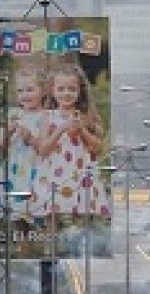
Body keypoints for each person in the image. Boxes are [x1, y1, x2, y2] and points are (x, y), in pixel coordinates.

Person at [30, 61, 110, 221]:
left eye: (72, 89)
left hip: (82, 175)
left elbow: (98, 148)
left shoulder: (87, 116)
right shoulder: (48, 117)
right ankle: (51, 245)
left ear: (80, 91)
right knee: (53, 217)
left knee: (82, 219)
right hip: (55, 176)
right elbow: (43, 150)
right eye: (61, 89)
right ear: (52, 91)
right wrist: (61, 129)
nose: (66, 93)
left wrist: (82, 130)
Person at [0, 66, 47, 221]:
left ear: (43, 91)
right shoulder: (14, 114)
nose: (25, 95)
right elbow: (0, 146)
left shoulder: (46, 116)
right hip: (13, 169)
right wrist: (9, 131)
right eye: (20, 91)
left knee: (35, 212)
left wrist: (30, 138)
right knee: (14, 213)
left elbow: (46, 148)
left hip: (35, 169)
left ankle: (36, 242)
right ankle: (19, 241)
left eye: (30, 90)